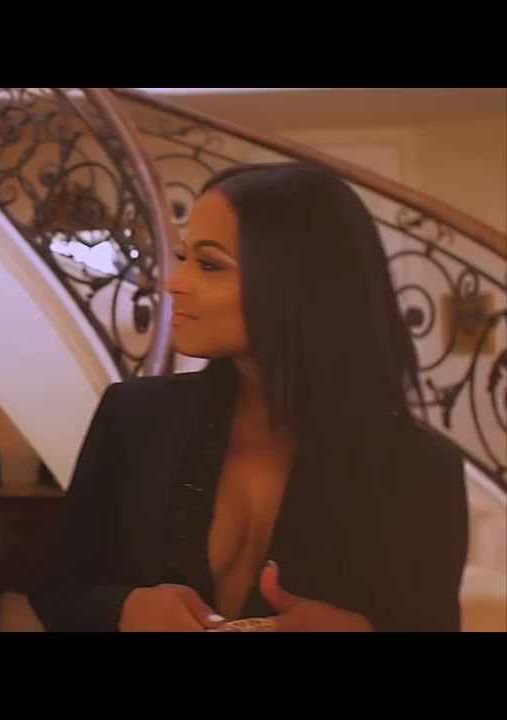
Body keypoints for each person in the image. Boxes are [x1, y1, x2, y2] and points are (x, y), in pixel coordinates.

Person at [29, 162, 469, 632]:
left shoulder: (422, 469)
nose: (175, 282)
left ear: (298, 284)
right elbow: (58, 594)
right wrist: (125, 610)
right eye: (183, 257)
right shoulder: (133, 418)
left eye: (210, 264)